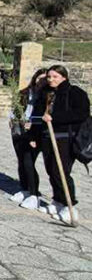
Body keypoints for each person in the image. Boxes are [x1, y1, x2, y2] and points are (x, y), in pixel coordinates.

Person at [30, 65, 89, 224]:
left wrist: (55, 118)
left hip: (65, 138)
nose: (51, 80)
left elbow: (82, 113)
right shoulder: (46, 93)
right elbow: (38, 115)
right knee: (50, 170)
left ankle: (70, 206)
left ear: (64, 77)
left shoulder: (75, 92)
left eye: (55, 77)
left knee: (60, 171)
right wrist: (34, 135)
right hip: (47, 137)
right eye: (49, 77)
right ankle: (58, 201)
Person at [9, 68, 47, 210]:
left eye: (44, 79)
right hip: (19, 131)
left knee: (28, 161)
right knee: (21, 161)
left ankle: (33, 193)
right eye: (39, 78)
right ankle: (24, 189)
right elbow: (15, 110)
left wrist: (34, 123)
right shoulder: (24, 93)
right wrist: (14, 121)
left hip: (35, 132)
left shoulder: (46, 96)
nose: (41, 81)